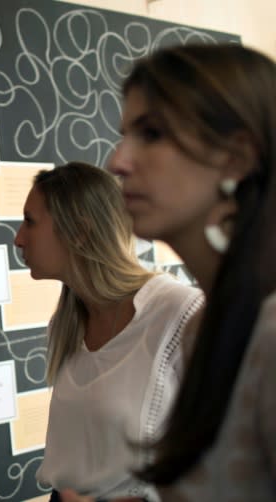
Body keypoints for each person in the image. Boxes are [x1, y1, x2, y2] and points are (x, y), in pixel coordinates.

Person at [62, 43, 276, 501]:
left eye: (152, 134)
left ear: (235, 157)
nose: (118, 161)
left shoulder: (270, 330)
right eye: (125, 135)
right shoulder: (208, 324)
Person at [13, 162, 203, 502]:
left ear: (80, 231)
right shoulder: (66, 324)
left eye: (30, 222)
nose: (19, 238)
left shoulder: (179, 314)